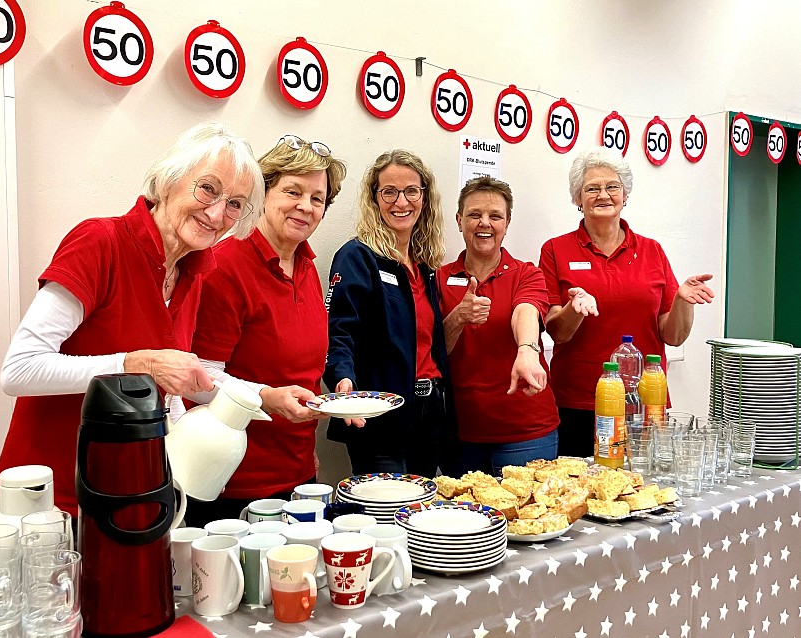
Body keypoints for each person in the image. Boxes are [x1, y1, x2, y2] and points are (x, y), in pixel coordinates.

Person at [0, 122, 264, 516]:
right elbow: (19, 370)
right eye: (208, 189)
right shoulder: (101, 242)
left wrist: (265, 396)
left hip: (132, 494)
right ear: (169, 180)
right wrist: (136, 365)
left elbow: (181, 373)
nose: (218, 213)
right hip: (57, 500)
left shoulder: (191, 269)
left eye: (235, 204)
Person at [182, 135, 347, 526]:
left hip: (299, 475)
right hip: (235, 485)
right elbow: (199, 379)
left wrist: (338, 397)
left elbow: (299, 367)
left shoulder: (306, 266)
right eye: (293, 191)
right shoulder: (225, 266)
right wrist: (268, 399)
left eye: (318, 198)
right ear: (263, 191)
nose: (305, 206)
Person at [539, 147, 715, 458]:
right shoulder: (556, 250)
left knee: (646, 490)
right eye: (591, 188)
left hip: (644, 402)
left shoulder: (652, 251)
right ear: (577, 199)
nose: (603, 195)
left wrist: (683, 302)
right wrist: (574, 308)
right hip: (579, 404)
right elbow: (557, 331)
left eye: (612, 186)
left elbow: (672, 336)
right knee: (584, 496)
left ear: (625, 195)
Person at [324, 149, 453, 477]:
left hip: (430, 413)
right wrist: (342, 379)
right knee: (388, 517)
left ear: (424, 198)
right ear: (374, 199)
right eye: (390, 192)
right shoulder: (358, 257)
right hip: (381, 414)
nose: (401, 202)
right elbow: (338, 330)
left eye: (411, 191)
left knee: (422, 514)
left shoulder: (424, 264)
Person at [438, 177, 559, 475]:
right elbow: (433, 350)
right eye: (475, 214)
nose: (485, 223)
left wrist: (528, 350)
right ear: (459, 220)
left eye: (495, 216)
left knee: (527, 519)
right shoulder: (438, 279)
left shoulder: (526, 274)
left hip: (526, 433)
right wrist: (458, 316)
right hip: (460, 435)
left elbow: (526, 310)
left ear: (507, 223)